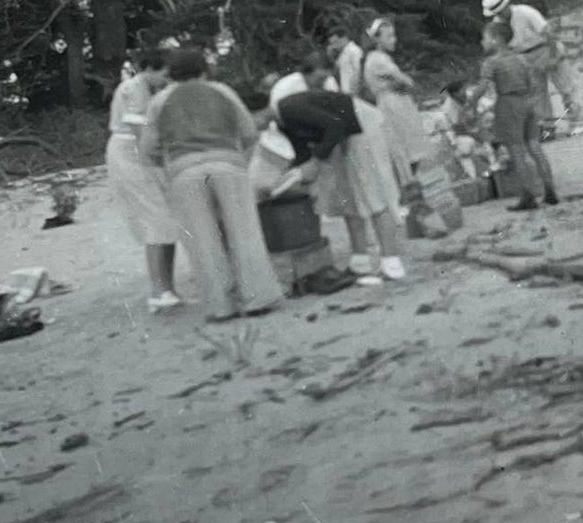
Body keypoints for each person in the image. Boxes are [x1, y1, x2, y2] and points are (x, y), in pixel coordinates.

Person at [139, 48, 283, 323]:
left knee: (202, 239)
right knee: (244, 233)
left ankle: (220, 306)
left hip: (184, 170)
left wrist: (166, 181)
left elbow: (148, 150)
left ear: (172, 73)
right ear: (204, 69)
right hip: (227, 162)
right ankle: (257, 297)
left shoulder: (159, 101)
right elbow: (249, 132)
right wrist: (241, 163)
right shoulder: (222, 91)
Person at [276, 54, 407, 282]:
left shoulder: (288, 107)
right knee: (346, 196)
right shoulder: (285, 122)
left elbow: (334, 125)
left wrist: (316, 162)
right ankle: (360, 263)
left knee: (373, 192)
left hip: (360, 125)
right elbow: (304, 153)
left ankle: (391, 263)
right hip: (341, 132)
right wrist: (294, 176)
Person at [106, 49, 181, 314]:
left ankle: (169, 288)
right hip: (130, 155)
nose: (166, 80)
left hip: (149, 154)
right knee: (156, 219)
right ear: (149, 69)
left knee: (168, 220)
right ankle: (159, 291)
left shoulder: (155, 90)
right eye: (164, 74)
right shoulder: (132, 89)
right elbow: (142, 136)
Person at [478, 20, 558, 211]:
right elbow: (532, 84)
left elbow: (482, 87)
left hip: (508, 104)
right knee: (535, 147)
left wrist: (471, 104)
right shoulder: (522, 59)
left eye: (485, 38)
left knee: (516, 151)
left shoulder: (491, 62)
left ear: (497, 39)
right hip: (527, 102)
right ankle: (550, 191)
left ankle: (527, 196)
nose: (482, 42)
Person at [480, 0, 583, 129]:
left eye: (501, 11)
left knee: (566, 88)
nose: (500, 14)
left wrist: (553, 57)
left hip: (546, 47)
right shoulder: (498, 24)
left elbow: (548, 33)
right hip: (526, 57)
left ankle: (576, 122)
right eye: (497, 13)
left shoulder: (525, 12)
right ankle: (548, 127)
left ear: (507, 5)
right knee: (538, 94)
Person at [360, 17, 431, 188]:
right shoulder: (377, 59)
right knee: (404, 147)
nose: (394, 40)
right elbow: (405, 81)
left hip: (395, 102)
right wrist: (404, 83)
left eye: (394, 36)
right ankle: (407, 184)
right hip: (393, 104)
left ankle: (409, 182)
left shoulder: (379, 58)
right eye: (389, 36)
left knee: (408, 146)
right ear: (377, 40)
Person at [327, 25, 366, 96]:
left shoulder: (354, 51)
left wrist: (355, 90)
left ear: (344, 38)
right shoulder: (342, 54)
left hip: (354, 93)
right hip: (346, 92)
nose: (334, 46)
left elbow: (359, 71)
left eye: (336, 42)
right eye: (332, 43)